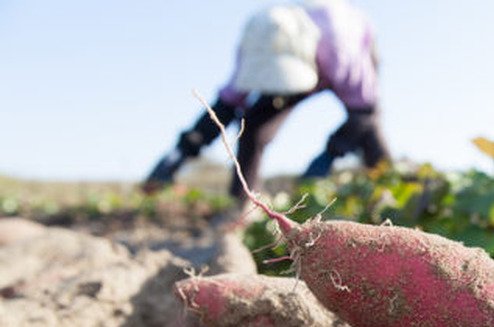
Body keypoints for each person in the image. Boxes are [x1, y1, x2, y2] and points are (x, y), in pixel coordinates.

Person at [143, 0, 390, 202]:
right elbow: (224, 107)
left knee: (369, 129)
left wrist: (329, 154)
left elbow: (364, 110)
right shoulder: (256, 46)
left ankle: (389, 191)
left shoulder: (343, 55)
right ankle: (243, 202)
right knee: (252, 127)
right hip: (298, 57)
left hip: (341, 52)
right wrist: (178, 155)